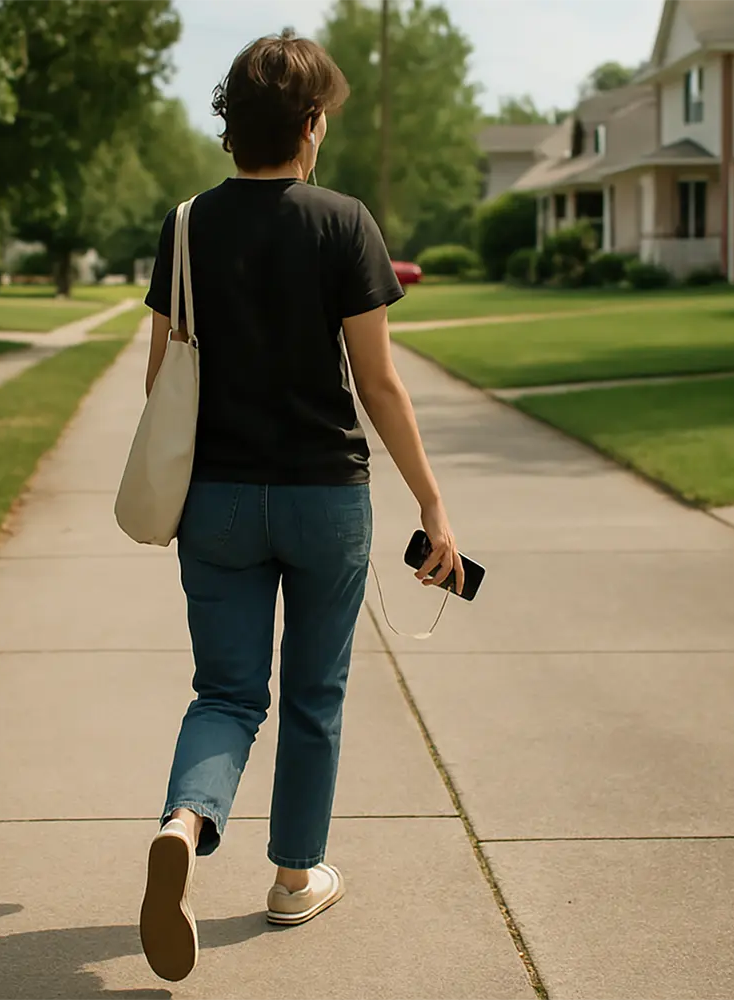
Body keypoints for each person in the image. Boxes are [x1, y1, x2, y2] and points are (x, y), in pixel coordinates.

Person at [137, 30, 463, 983]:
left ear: (232, 125)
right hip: (326, 499)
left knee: (227, 694)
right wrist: (434, 506)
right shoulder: (345, 222)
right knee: (314, 697)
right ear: (310, 125)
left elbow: (161, 378)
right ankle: (292, 878)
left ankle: (183, 822)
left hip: (221, 504)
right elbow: (380, 384)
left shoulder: (187, 225)